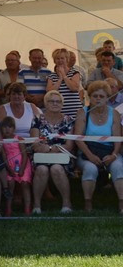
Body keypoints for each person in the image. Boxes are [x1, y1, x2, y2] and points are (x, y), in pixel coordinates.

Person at [73, 80, 123, 213]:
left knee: (118, 167)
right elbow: (78, 138)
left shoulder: (115, 114)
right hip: (87, 152)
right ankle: (88, 202)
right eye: (95, 96)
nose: (98, 99)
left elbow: (118, 138)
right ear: (90, 97)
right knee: (90, 169)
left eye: (102, 96)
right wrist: (90, 155)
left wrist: (113, 155)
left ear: (108, 98)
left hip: (110, 151)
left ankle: (121, 202)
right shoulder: (83, 112)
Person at [0, 82, 38, 216]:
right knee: (11, 171)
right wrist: (1, 145)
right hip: (9, 145)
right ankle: (13, 199)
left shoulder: (32, 107)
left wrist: (34, 142)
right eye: (13, 94)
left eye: (20, 94)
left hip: (28, 144)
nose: (17, 97)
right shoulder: (3, 109)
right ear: (9, 96)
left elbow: (39, 125)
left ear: (24, 96)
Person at [29, 90, 75, 215]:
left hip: (62, 158)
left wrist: (49, 149)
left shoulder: (68, 120)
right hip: (41, 157)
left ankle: (66, 203)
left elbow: (69, 145)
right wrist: (47, 148)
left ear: (62, 104)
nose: (55, 103)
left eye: (58, 101)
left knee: (56, 169)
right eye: (51, 101)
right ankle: (37, 204)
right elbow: (35, 144)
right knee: (42, 170)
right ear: (45, 103)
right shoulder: (37, 119)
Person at [0, 116, 32, 216]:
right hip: (10, 165)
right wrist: (9, 169)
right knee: (10, 185)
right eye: (4, 127)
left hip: (23, 164)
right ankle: (8, 208)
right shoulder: (3, 141)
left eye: (10, 127)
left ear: (14, 128)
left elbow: (24, 154)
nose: (7, 129)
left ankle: (27, 207)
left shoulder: (18, 139)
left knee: (25, 184)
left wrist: (22, 168)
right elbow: (4, 156)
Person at [45, 48, 83, 119]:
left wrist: (64, 76)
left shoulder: (75, 73)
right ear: (54, 60)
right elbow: (49, 92)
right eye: (57, 58)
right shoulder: (51, 76)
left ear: (67, 59)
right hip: (59, 111)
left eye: (62, 58)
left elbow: (74, 88)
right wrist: (60, 79)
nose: (60, 61)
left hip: (74, 110)